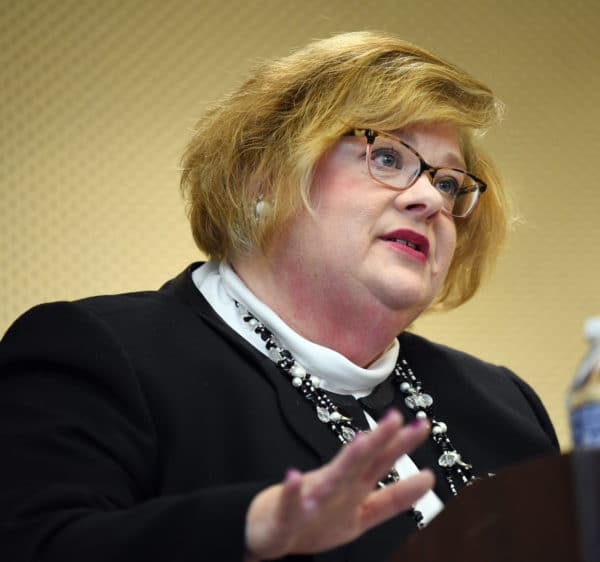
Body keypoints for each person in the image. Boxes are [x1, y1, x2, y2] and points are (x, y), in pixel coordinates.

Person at [0, 31, 559, 562]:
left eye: (448, 182)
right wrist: (249, 529)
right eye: (389, 157)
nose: (430, 200)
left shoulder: (504, 406)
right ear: (264, 179)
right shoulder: (99, 354)